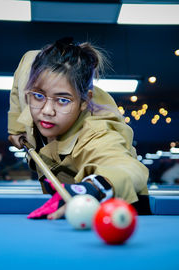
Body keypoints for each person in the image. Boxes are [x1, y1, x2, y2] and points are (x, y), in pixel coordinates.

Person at [8, 37, 149, 219]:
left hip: (116, 205)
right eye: (38, 96)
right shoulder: (30, 67)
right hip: (63, 198)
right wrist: (16, 128)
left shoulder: (96, 133)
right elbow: (19, 85)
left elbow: (127, 168)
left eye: (63, 100)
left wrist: (94, 187)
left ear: (84, 101)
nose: (47, 111)